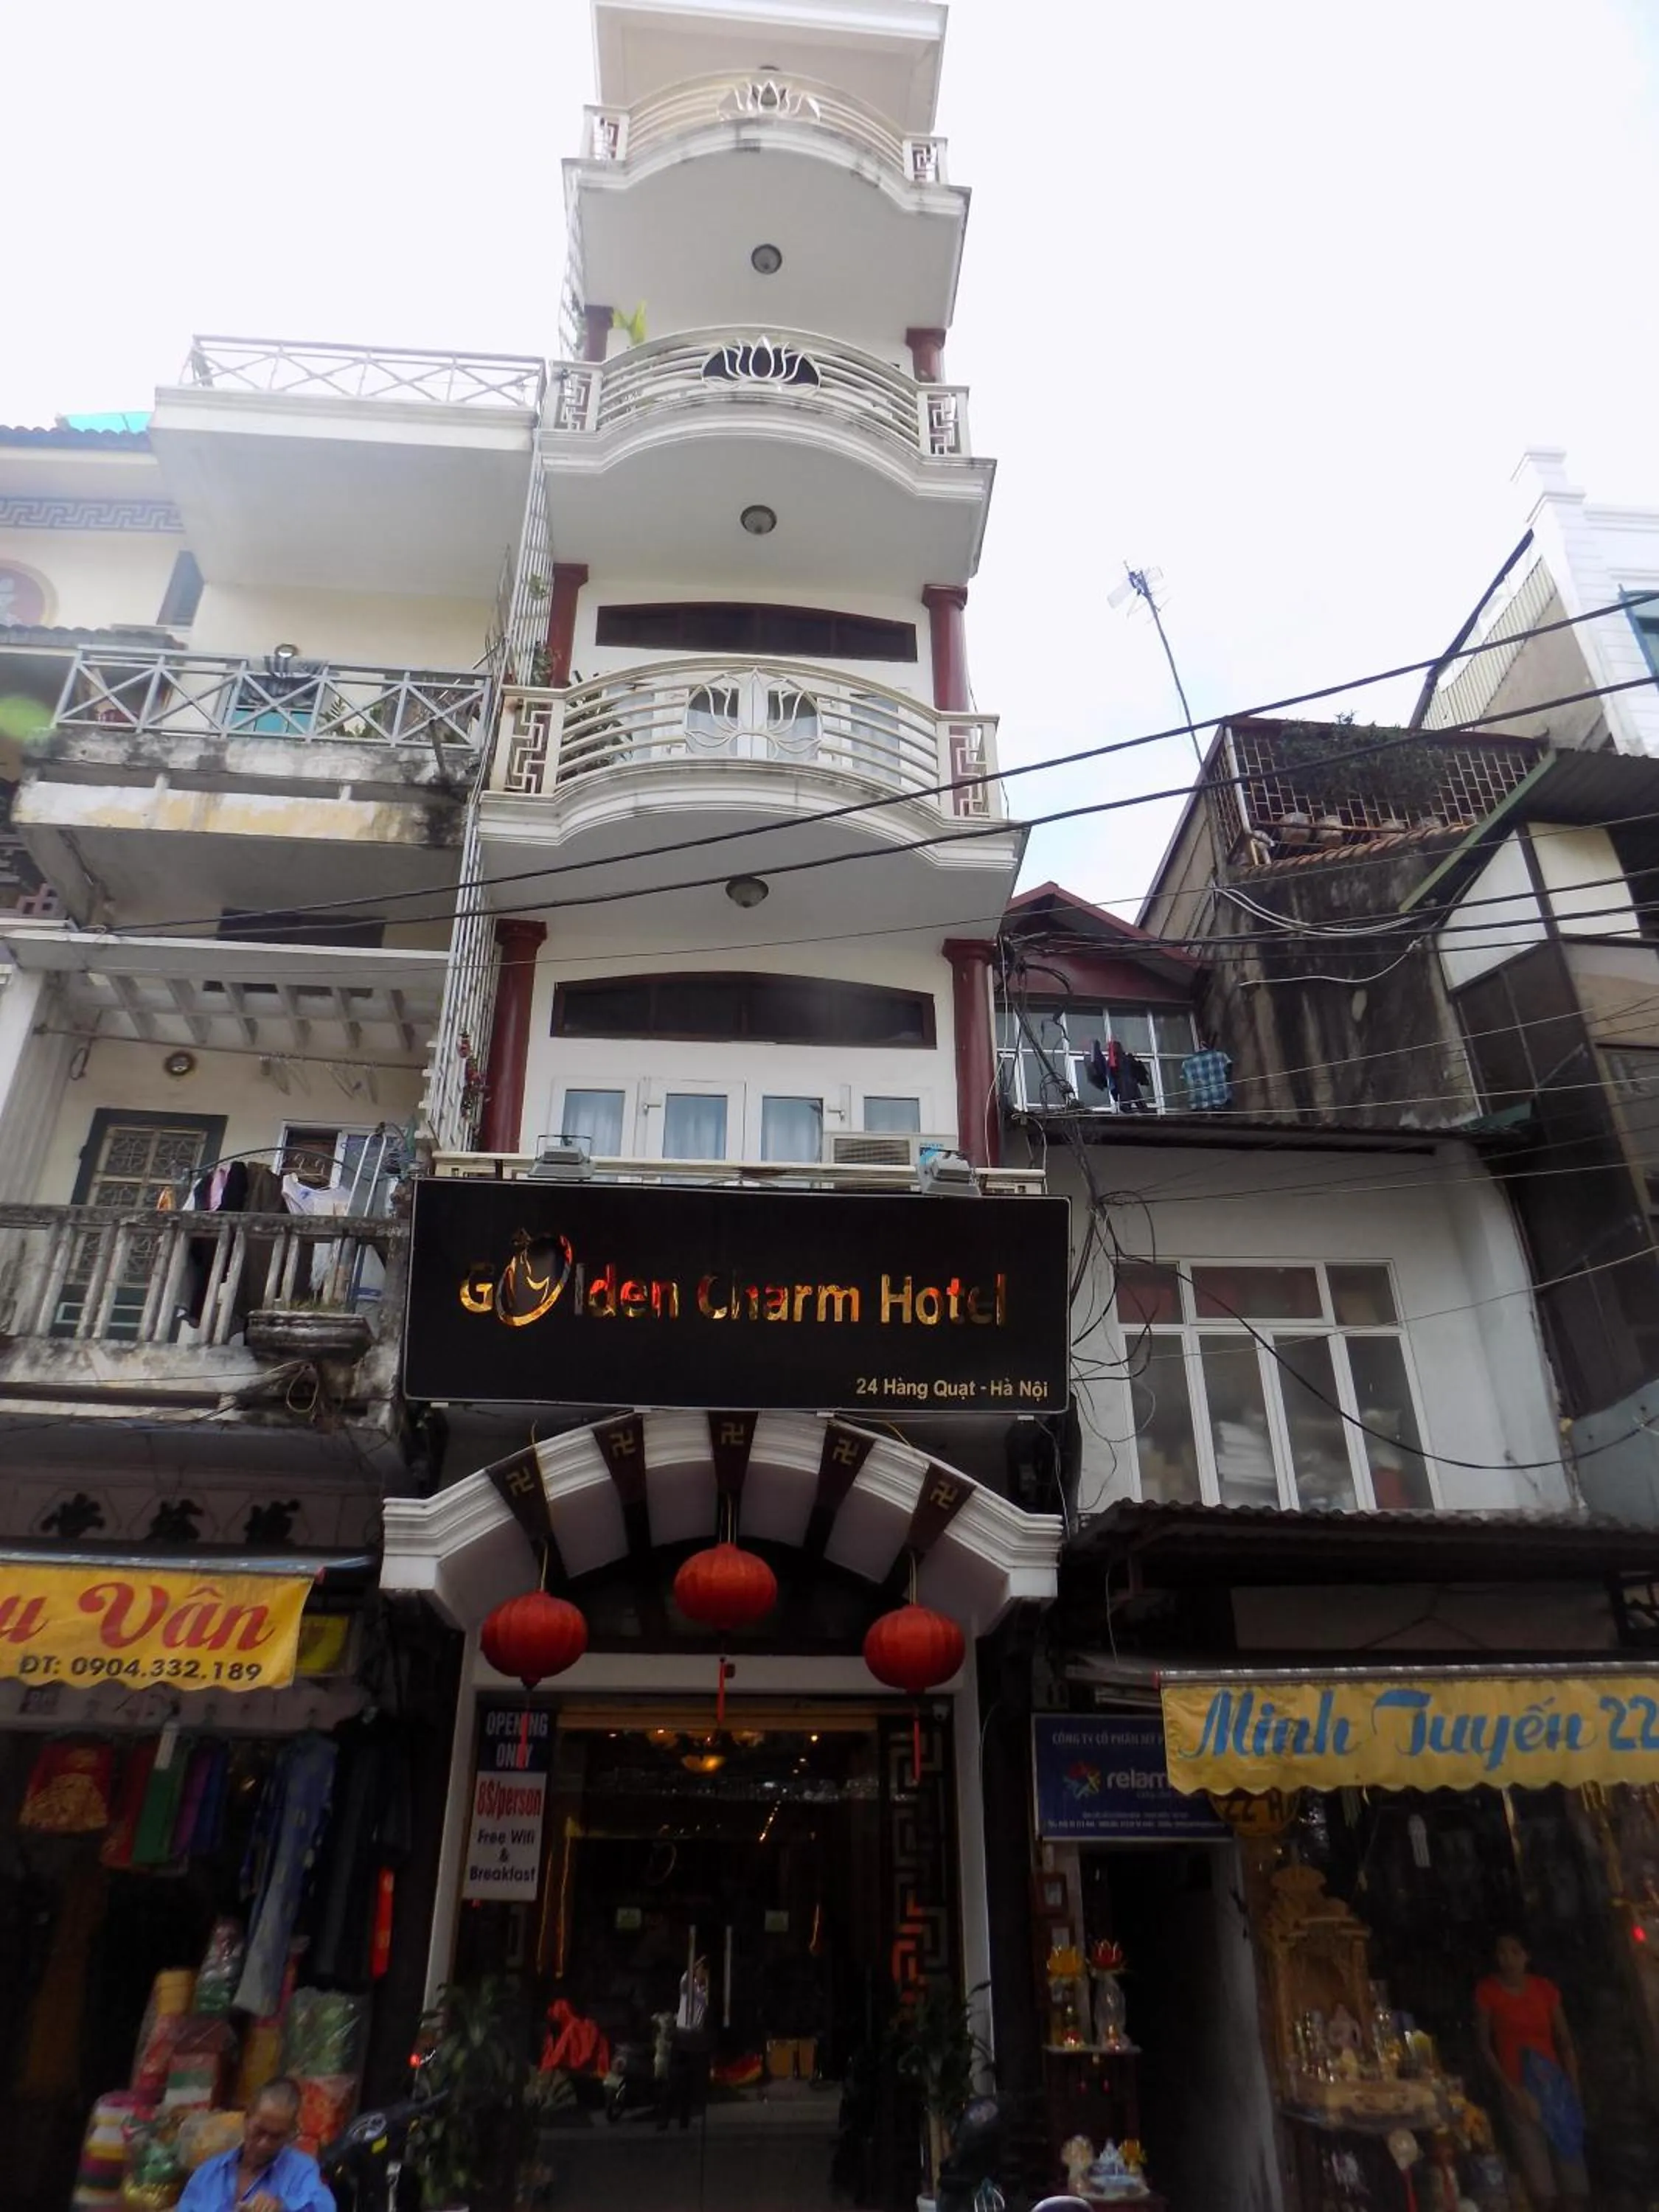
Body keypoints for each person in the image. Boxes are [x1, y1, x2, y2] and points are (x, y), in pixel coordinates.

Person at [1474, 1933, 1588, 2207]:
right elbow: (1485, 2046)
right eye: (1502, 1953)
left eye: (1515, 1952)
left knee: (1573, 2180)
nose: (1508, 1959)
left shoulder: (1544, 1989)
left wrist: (1573, 2089)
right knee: (1541, 2187)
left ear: (1527, 1956)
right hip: (1518, 2088)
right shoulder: (1488, 1992)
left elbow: (1565, 2042)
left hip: (1554, 2089)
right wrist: (1510, 2089)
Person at [178, 2079, 335, 2212]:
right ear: (247, 2119)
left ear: (290, 2133)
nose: (263, 2144)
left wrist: (281, 2207)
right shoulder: (208, 2174)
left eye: (276, 2137)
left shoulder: (302, 2172)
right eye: (259, 2131)